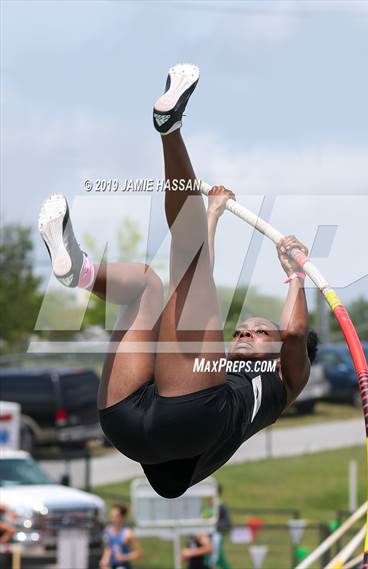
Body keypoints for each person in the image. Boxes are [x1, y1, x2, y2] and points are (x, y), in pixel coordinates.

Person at [39, 63, 318, 500]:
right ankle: (81, 272)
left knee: (189, 265)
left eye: (261, 332)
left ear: (282, 351)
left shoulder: (285, 381)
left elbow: (297, 331)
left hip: (189, 420)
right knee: (150, 284)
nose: (244, 334)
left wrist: (297, 274)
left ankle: (170, 129)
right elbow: (194, 271)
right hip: (128, 422)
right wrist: (213, 215)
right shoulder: (217, 369)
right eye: (243, 330)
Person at [99, 504, 143, 569]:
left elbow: (139, 553)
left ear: (122, 517)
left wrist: (123, 557)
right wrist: (105, 559)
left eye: (116, 516)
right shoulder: (109, 530)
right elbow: (109, 547)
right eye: (112, 516)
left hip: (123, 566)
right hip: (112, 565)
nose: (113, 518)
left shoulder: (127, 533)